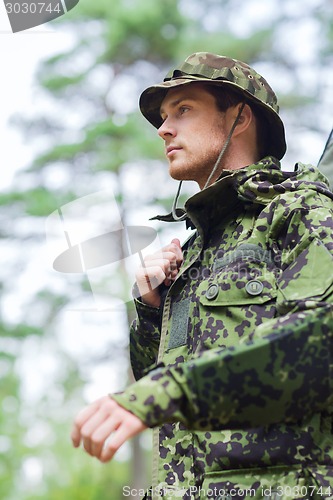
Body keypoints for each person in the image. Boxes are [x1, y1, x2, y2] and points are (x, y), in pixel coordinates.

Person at [71, 53, 333, 499]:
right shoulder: (193, 253)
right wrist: (152, 312)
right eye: (163, 117)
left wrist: (163, 393)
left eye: (184, 110)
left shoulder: (299, 212)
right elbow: (161, 391)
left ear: (240, 116)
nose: (163, 129)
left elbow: (320, 344)